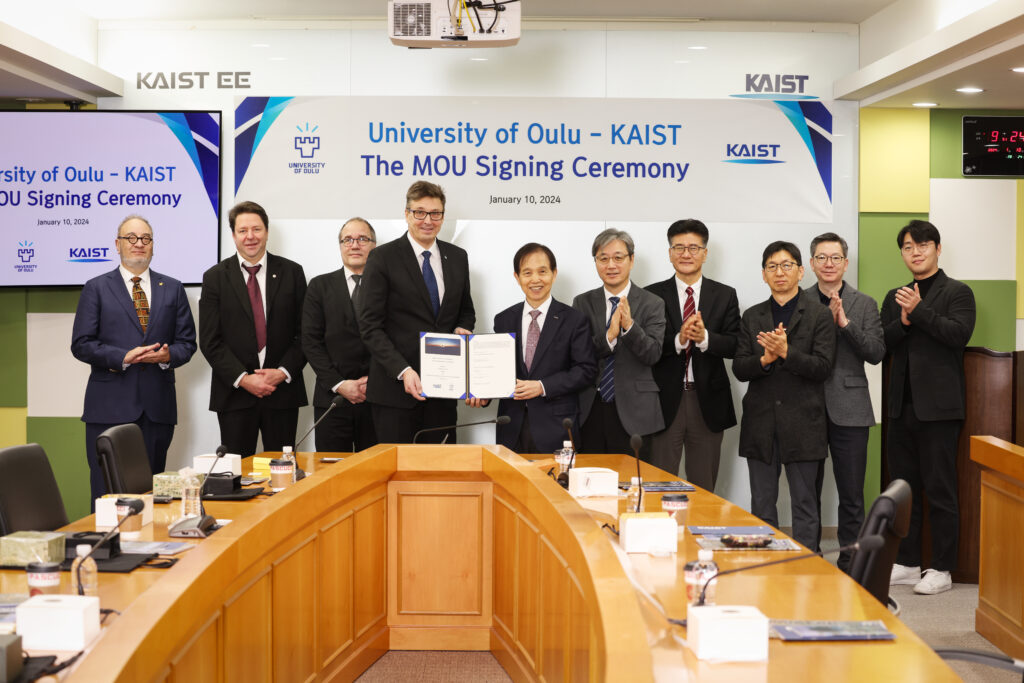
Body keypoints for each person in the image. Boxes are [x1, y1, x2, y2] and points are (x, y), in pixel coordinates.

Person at [71, 215, 196, 502]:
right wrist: (122, 357)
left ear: (153, 246)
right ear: (118, 244)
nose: (139, 244)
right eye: (131, 238)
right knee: (107, 495)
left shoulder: (173, 288)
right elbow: (81, 344)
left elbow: (187, 344)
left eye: (146, 239)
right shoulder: (96, 287)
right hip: (108, 411)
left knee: (151, 497)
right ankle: (107, 547)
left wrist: (166, 357)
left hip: (156, 411)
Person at [883, 220, 975, 595]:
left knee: (940, 489)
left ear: (937, 248)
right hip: (899, 408)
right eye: (907, 246)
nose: (915, 252)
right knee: (903, 490)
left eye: (922, 245)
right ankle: (906, 562)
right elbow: (883, 343)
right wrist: (903, 320)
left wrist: (919, 311)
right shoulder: (895, 295)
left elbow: (958, 335)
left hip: (939, 410)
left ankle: (942, 568)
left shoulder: (959, 292)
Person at [732, 241, 835, 551]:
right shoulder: (752, 316)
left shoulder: (819, 314)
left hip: (804, 422)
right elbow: (739, 367)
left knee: (805, 503)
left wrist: (787, 353)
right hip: (761, 423)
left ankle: (807, 565)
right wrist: (764, 360)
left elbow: (823, 367)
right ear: (763, 274)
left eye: (787, 265)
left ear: (801, 271)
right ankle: (764, 565)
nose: (780, 272)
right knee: (762, 504)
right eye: (772, 267)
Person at [359, 180, 475, 443]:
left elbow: (466, 311)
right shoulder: (382, 258)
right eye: (419, 212)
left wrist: (461, 329)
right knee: (397, 477)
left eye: (435, 213)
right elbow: (369, 325)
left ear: (443, 216)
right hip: (395, 393)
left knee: (439, 476)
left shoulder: (458, 257)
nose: (428, 220)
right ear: (407, 214)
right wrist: (404, 371)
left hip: (443, 394)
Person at [199, 201, 308, 456]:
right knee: (236, 477)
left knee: (283, 475)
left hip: (282, 393)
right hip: (234, 394)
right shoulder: (215, 277)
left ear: (267, 232)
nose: (250, 237)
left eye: (257, 229)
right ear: (234, 235)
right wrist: (243, 379)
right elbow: (210, 340)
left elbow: (306, 334)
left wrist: (281, 372)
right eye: (243, 230)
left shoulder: (292, 272)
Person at [806, 232, 885, 572]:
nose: (828, 264)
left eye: (835, 257)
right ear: (811, 264)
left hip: (850, 408)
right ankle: (806, 557)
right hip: (806, 407)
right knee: (806, 492)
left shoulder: (864, 303)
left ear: (846, 263)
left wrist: (845, 324)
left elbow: (876, 352)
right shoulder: (798, 300)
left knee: (851, 494)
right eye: (821, 258)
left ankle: (851, 562)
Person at [647, 219, 740, 490]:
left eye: (693, 248)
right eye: (679, 247)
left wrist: (705, 339)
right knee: (660, 484)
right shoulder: (652, 295)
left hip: (707, 400)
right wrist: (679, 339)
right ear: (669, 253)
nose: (686, 254)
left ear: (705, 253)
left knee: (703, 485)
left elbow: (736, 344)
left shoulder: (724, 295)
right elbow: (647, 347)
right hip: (664, 401)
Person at [488, 243, 596, 453]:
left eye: (542, 272)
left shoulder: (574, 319)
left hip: (556, 427)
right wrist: (483, 393)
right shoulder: (503, 319)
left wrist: (542, 386)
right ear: (517, 277)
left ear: (554, 274)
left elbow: (586, 370)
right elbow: (497, 368)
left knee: (555, 485)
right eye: (527, 273)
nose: (535, 279)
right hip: (511, 426)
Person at [573, 229, 666, 455]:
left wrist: (630, 327)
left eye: (618, 257)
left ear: (631, 260)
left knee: (633, 484)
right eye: (603, 259)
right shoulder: (582, 302)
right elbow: (577, 354)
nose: (611, 265)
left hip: (636, 410)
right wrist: (609, 337)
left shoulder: (652, 303)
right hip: (590, 408)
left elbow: (653, 353)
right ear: (595, 262)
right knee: (588, 483)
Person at [301, 217, 378, 452]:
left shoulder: (389, 286)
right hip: (331, 400)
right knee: (331, 477)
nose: (354, 245)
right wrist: (340, 384)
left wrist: (373, 383)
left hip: (377, 399)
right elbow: (310, 342)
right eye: (348, 240)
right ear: (340, 246)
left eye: (362, 239)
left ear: (375, 245)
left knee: (376, 475)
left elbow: (396, 339)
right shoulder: (319, 286)